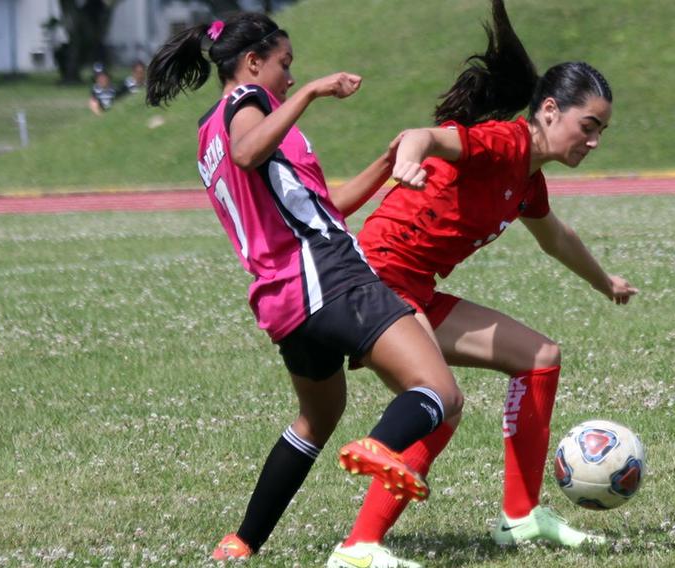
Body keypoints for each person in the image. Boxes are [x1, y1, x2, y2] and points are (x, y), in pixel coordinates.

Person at [144, 12, 463, 563]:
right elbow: (249, 151)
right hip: (328, 275)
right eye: (285, 65)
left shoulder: (207, 133)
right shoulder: (249, 103)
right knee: (440, 393)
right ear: (251, 64)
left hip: (284, 300)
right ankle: (382, 446)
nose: (290, 78)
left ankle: (242, 541)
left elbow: (324, 206)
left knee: (317, 417)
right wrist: (314, 91)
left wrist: (387, 165)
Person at [328, 1, 639, 565]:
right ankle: (359, 548)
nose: (593, 141)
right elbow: (421, 136)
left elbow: (556, 238)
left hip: (415, 287)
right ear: (549, 110)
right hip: (373, 280)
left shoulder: (529, 180)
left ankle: (519, 518)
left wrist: (605, 282)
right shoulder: (502, 143)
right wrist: (408, 162)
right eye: (587, 126)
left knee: (540, 355)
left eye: (601, 131)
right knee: (441, 402)